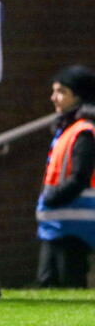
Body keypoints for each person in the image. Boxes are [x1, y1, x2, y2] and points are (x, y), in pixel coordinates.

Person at [36, 66, 95, 288]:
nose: (54, 98)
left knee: (67, 284)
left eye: (61, 91)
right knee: (49, 283)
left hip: (73, 224)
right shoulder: (70, 129)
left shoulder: (84, 131)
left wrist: (52, 198)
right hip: (61, 223)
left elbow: (80, 176)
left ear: (79, 96)